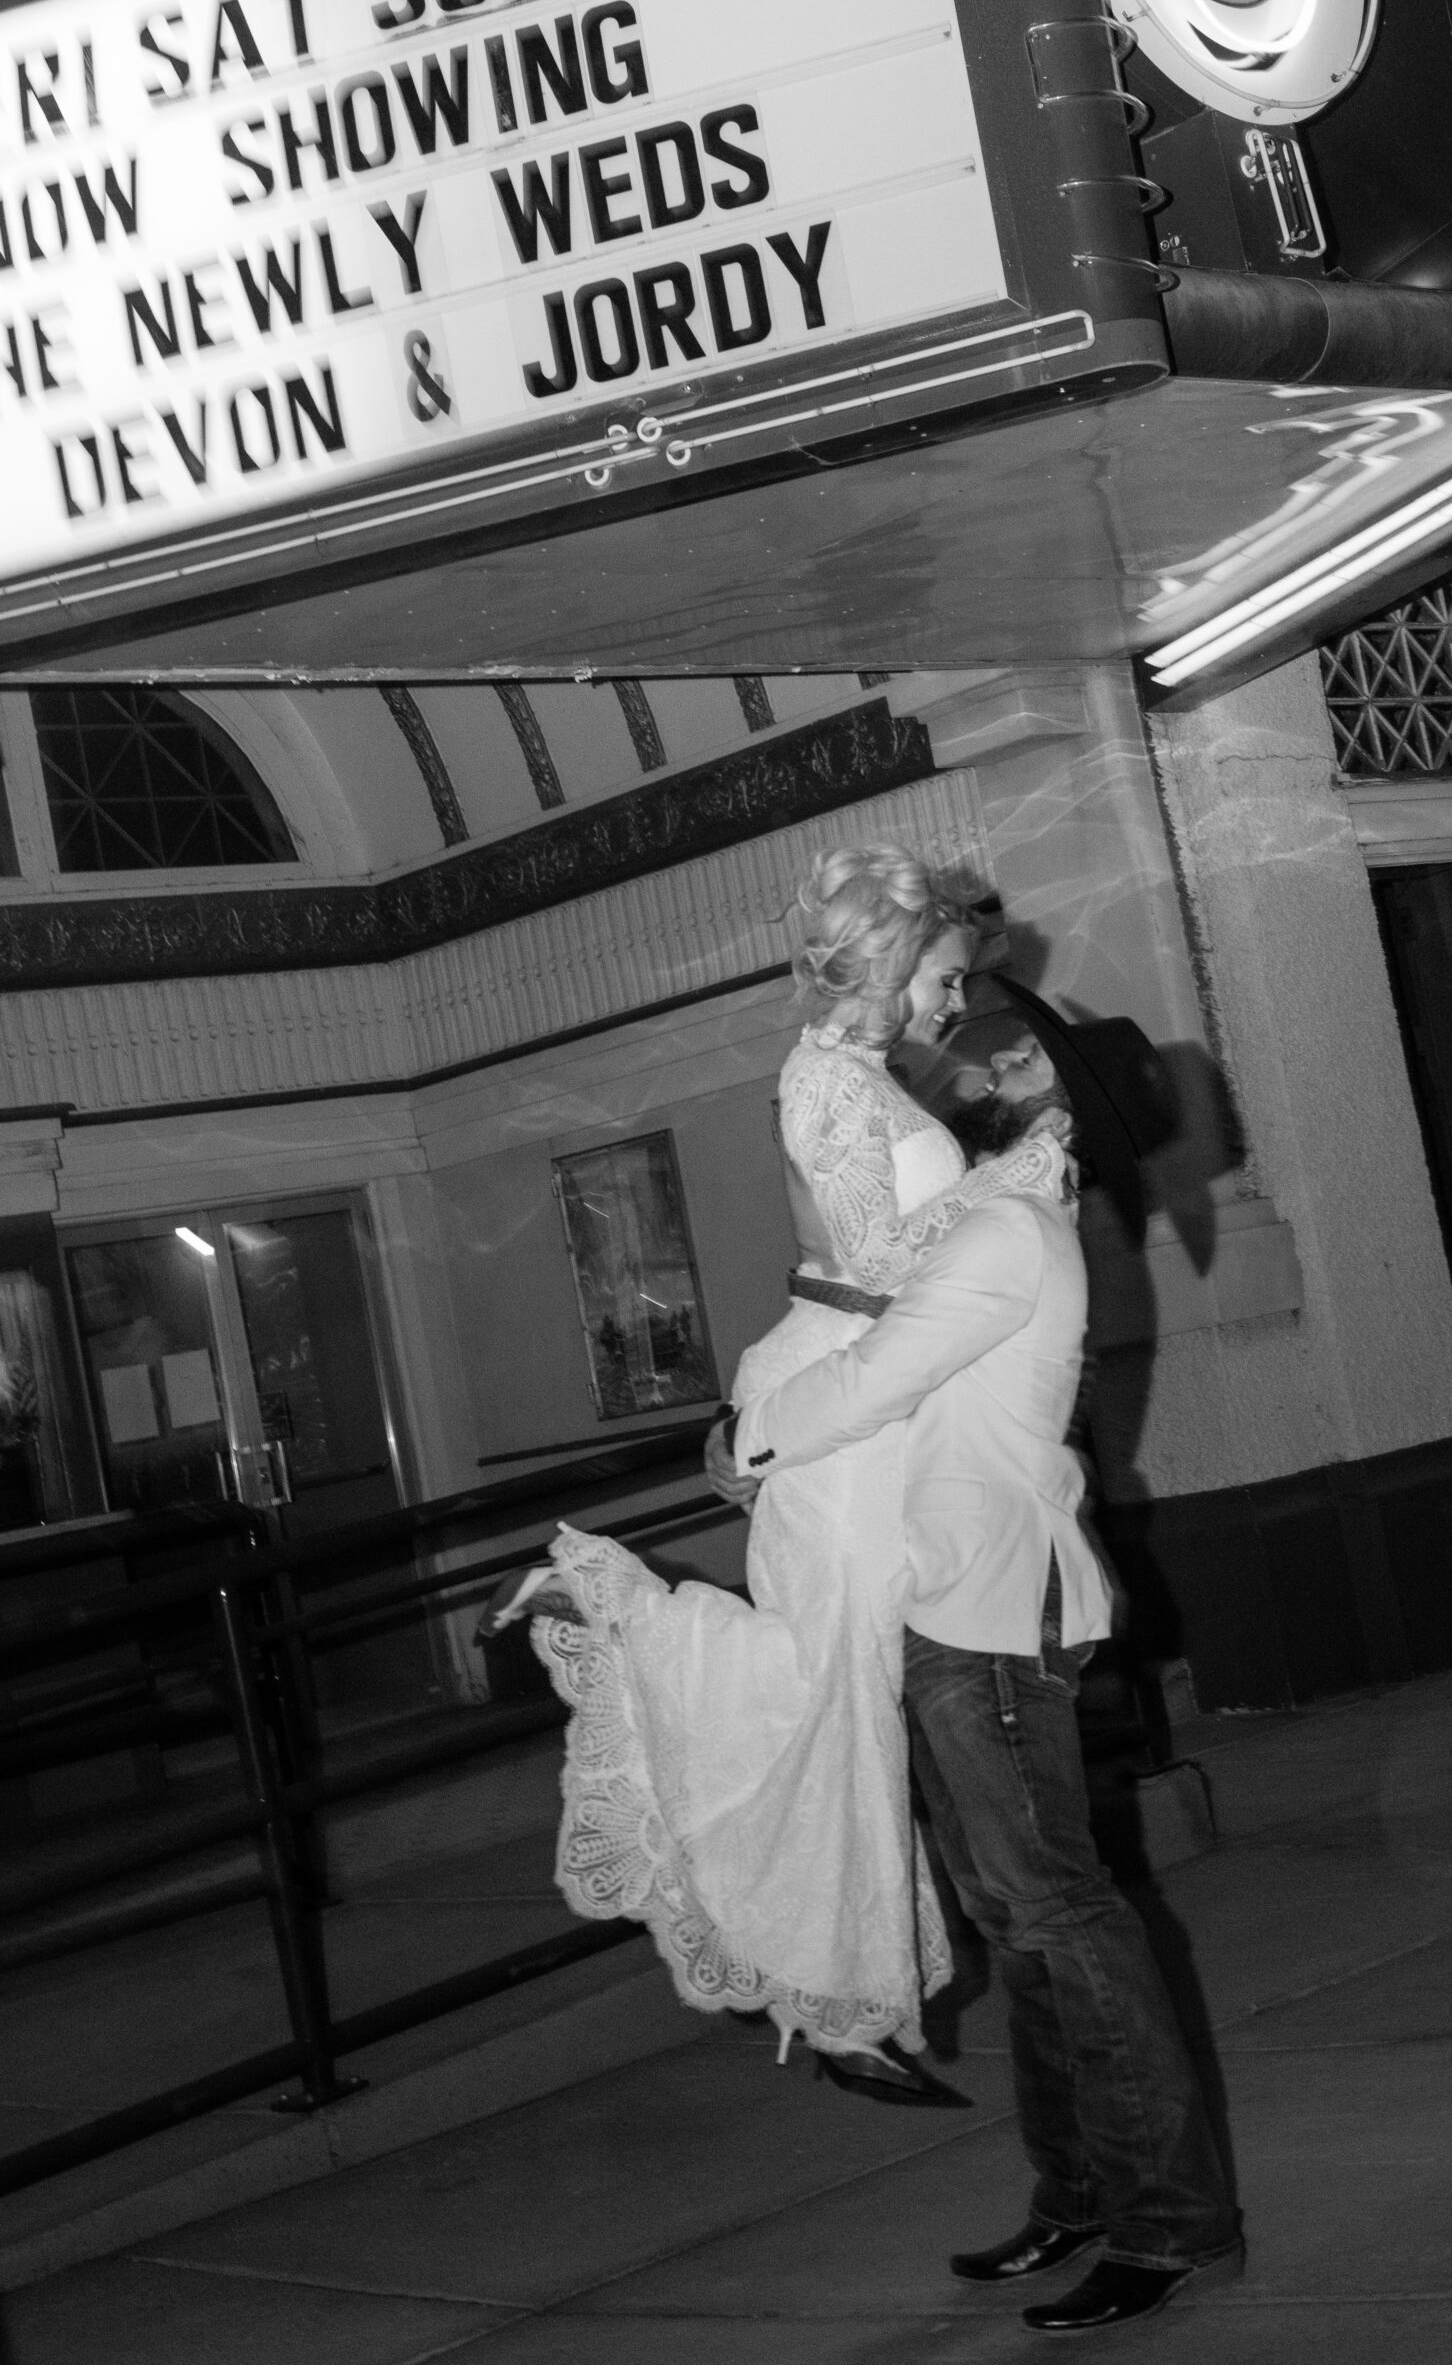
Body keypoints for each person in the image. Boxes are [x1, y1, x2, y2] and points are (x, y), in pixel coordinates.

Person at [480, 847, 1070, 2099]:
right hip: (840, 1387)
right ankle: (619, 1615)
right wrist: (1019, 1175)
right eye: (947, 976)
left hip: (863, 1386)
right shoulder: (823, 1081)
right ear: (894, 959)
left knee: (849, 1681)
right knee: (831, 1676)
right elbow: (882, 1255)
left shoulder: (866, 1079)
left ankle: (850, 1998)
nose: (955, 1003)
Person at [716, 1031, 1243, 2334]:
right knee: (1016, 1923)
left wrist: (751, 1438)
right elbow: (849, 1312)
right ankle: (1079, 2192)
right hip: (944, 1599)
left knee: (1058, 1911)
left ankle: (1168, 2223)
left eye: (1005, 1060)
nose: (972, 1064)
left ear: (1045, 1105)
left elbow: (884, 1374)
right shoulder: (974, 1219)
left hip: (989, 1608)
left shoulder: (1006, 1235)